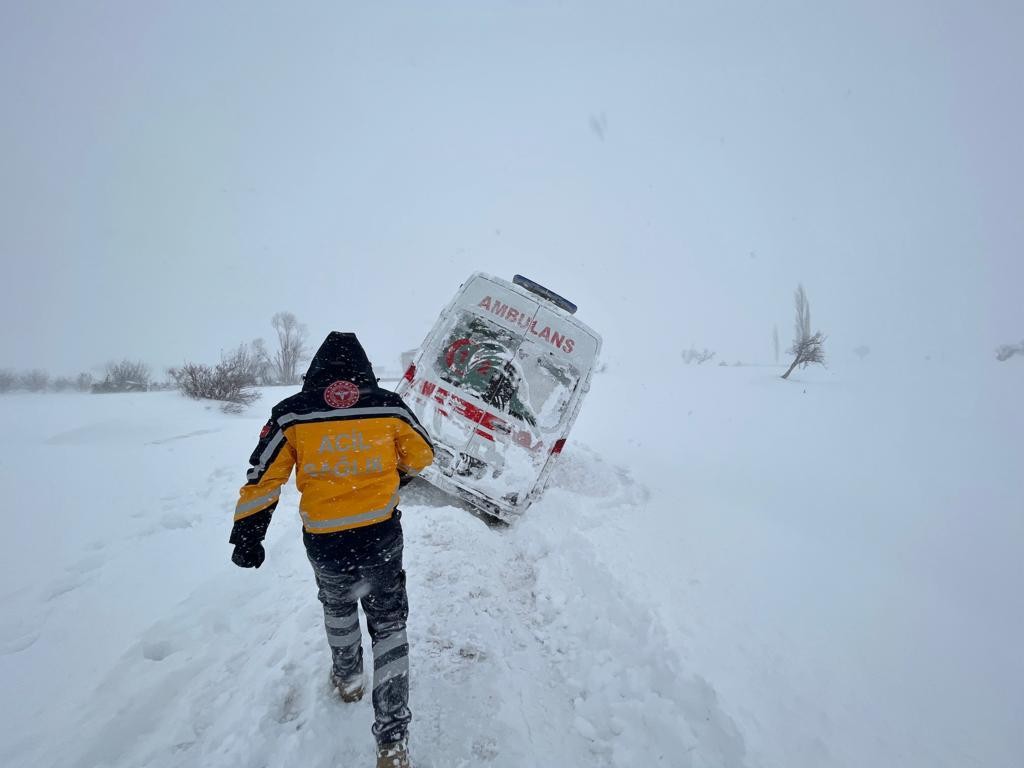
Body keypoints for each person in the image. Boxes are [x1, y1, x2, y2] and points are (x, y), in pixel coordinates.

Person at [229, 332, 434, 768]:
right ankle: (393, 740)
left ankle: (348, 679)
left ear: (315, 371)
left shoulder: (291, 415)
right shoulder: (389, 406)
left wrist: (249, 534)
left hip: (326, 542)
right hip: (379, 537)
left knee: (339, 608)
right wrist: (395, 478)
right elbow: (422, 455)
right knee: (390, 625)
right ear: (364, 369)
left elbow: (263, 478)